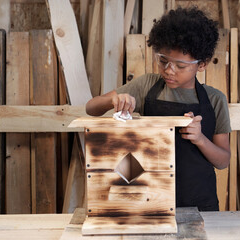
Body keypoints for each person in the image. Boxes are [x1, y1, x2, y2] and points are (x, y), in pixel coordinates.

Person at [86, 7, 231, 211]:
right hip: (152, 201)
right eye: (163, 60)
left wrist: (200, 139)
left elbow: (223, 161)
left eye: (180, 66)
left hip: (199, 203)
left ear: (202, 65)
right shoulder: (146, 86)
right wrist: (115, 101)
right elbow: (91, 107)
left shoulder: (215, 100)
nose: (168, 70)